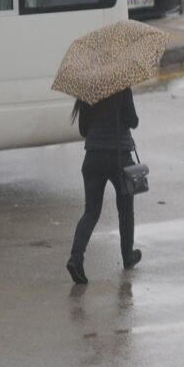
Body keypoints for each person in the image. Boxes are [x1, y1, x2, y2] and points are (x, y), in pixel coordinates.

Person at [66, 88, 143, 285]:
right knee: (125, 210)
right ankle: (128, 255)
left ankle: (76, 258)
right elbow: (133, 121)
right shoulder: (121, 84)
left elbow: (84, 130)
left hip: (93, 158)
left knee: (91, 212)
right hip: (119, 157)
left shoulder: (89, 87)